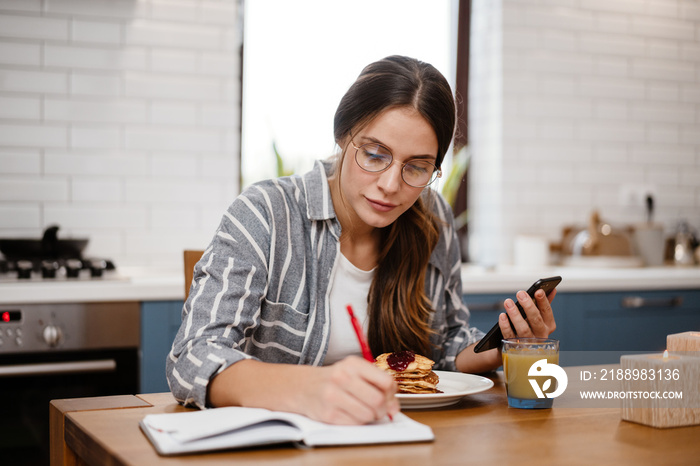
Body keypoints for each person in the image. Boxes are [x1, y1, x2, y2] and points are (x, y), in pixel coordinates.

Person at [166, 55, 557, 425]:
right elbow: (193, 357)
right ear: (342, 136)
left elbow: (444, 349)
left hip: (401, 437)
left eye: (417, 168)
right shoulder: (266, 213)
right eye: (374, 155)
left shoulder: (433, 218)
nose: (390, 186)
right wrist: (312, 388)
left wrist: (508, 345)